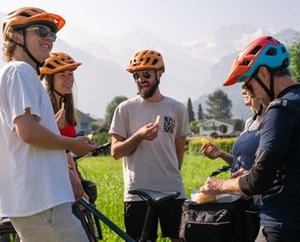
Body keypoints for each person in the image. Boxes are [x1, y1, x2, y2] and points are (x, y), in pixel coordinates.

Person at [0, 7, 96, 242]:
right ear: (16, 36)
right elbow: (29, 132)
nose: (48, 38)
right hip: (43, 205)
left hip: (41, 203)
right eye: (41, 31)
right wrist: (73, 144)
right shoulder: (19, 71)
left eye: (52, 34)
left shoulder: (23, 75)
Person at [200, 36, 300, 241]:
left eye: (248, 85)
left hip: (281, 225)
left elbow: (257, 181)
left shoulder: (280, 109)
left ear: (264, 73)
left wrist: (218, 186)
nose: (251, 94)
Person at [109, 49, 190, 242]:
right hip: (138, 193)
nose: (141, 79)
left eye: (146, 74)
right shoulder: (124, 109)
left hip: (173, 189)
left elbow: (179, 151)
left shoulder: (177, 108)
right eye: (136, 75)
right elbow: (115, 152)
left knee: (180, 239)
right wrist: (138, 136)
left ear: (159, 74)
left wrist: (169, 173)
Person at [40, 52, 98, 241]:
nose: (68, 80)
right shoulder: (46, 108)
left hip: (68, 179)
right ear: (49, 80)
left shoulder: (64, 107)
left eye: (71, 74)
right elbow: (51, 147)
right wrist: (74, 181)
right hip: (54, 184)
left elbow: (67, 152)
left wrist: (77, 181)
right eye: (62, 75)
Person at [202, 85, 266, 176]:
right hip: (236, 187)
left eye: (247, 87)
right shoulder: (249, 122)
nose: (243, 92)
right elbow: (240, 164)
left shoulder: (271, 123)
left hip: (253, 188)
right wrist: (221, 153)